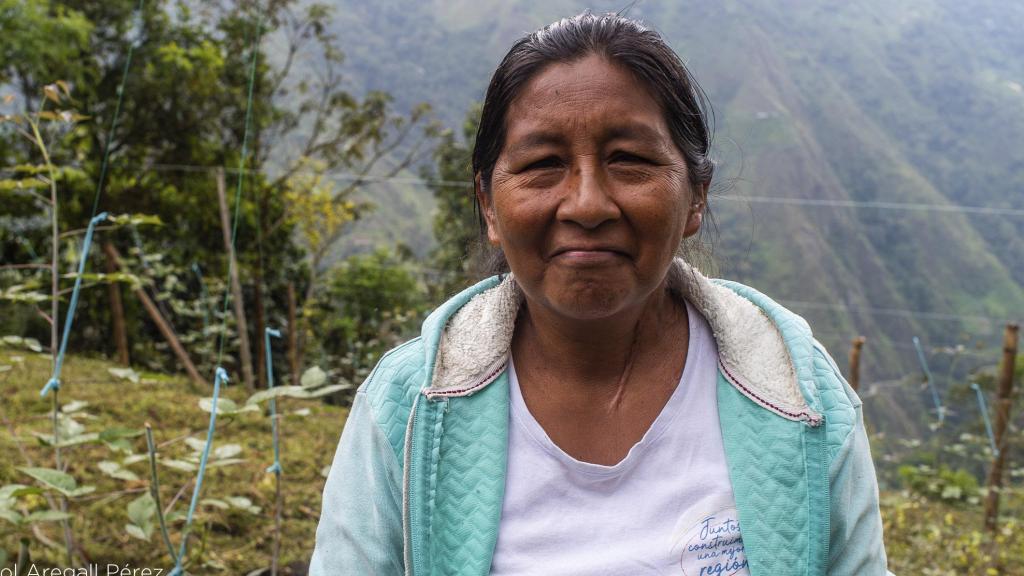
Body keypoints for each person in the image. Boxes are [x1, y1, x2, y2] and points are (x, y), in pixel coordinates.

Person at [310, 11, 891, 576]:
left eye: (630, 160)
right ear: (489, 204)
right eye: (543, 164)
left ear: (696, 196)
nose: (587, 204)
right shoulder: (408, 409)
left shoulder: (796, 393)